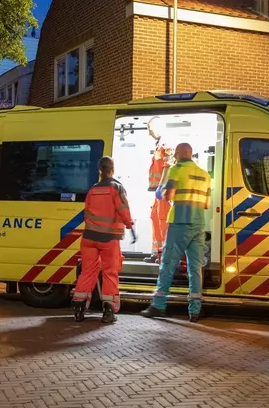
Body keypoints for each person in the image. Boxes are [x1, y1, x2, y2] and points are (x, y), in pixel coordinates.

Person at [141, 143, 211, 322]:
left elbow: (169, 195)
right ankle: (195, 310)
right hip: (199, 224)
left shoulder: (176, 169)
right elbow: (207, 204)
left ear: (179, 154)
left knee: (168, 264)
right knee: (195, 268)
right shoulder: (205, 175)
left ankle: (158, 305)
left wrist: (162, 192)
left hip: (179, 222)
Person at [71, 156, 135, 324]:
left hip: (89, 238)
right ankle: (108, 310)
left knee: (87, 272)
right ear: (112, 169)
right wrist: (130, 225)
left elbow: (87, 213)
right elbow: (123, 209)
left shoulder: (93, 189)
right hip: (108, 239)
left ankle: (79, 308)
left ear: (99, 170)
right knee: (109, 273)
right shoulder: (116, 188)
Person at [146, 117, 174, 264]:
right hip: (157, 191)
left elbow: (168, 165)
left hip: (162, 191)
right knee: (154, 218)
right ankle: (156, 253)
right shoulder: (159, 146)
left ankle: (164, 256)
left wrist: (162, 186)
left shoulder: (166, 145)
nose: (149, 132)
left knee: (162, 220)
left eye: (151, 129)